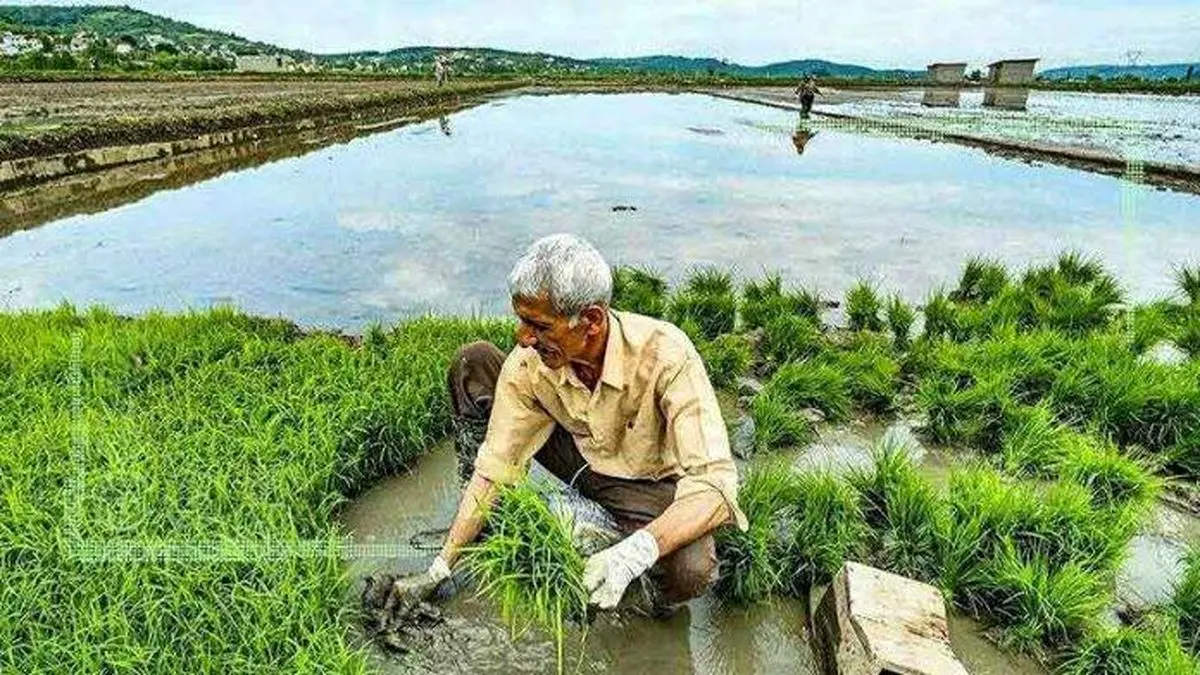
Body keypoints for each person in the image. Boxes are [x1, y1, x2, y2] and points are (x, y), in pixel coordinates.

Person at [417, 234, 747, 613]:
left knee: (692, 568)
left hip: (646, 483)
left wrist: (634, 553)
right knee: (473, 362)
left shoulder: (666, 354)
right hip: (578, 456)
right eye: (521, 320)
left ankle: (633, 592)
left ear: (590, 320)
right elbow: (495, 467)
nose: (522, 337)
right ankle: (483, 524)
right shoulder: (529, 362)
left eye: (538, 325)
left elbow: (716, 489)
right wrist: (440, 568)